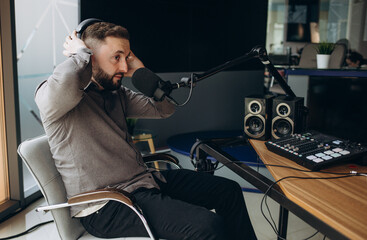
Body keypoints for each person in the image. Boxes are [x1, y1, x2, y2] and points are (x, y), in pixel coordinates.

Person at [35, 21, 257, 240]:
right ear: (89, 57)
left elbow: (164, 109)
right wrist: (79, 54)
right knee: (207, 226)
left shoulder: (116, 93)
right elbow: (65, 86)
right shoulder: (54, 96)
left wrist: (141, 72)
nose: (124, 67)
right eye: (116, 57)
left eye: (126, 57)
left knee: (228, 191)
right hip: (107, 206)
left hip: (144, 183)